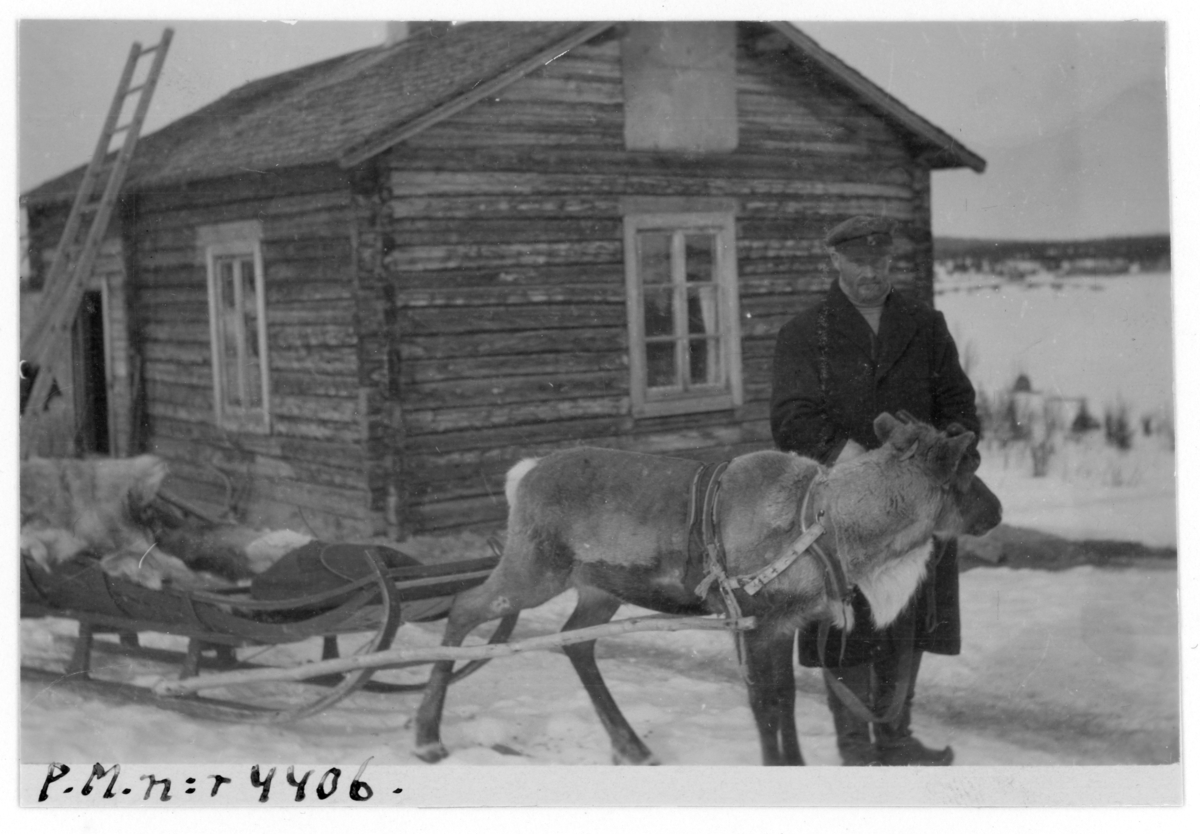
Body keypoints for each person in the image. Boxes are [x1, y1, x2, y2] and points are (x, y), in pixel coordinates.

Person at [770, 215, 980, 766]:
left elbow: (959, 403)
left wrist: (954, 450)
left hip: (918, 509)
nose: (871, 273)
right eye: (859, 262)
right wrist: (861, 461)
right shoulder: (804, 332)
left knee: (910, 619)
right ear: (835, 261)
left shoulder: (925, 325)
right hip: (847, 510)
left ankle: (895, 737)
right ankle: (856, 750)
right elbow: (791, 417)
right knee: (850, 623)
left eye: (880, 262)